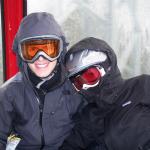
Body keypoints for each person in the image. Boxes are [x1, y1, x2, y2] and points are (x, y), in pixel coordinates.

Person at [0, 12, 86, 150]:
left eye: (49, 49)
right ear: (21, 54)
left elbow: (91, 131)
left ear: (60, 51)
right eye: (32, 50)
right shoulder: (10, 93)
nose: (40, 58)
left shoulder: (76, 88)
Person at [59, 37, 150, 150]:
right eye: (78, 83)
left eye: (90, 76)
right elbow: (72, 144)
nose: (84, 86)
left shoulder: (141, 86)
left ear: (108, 68)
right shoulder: (89, 115)